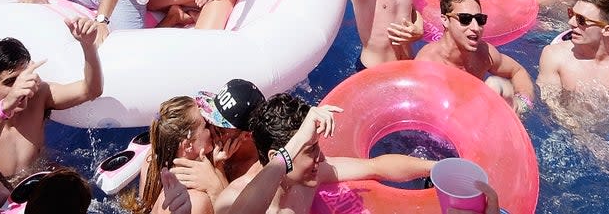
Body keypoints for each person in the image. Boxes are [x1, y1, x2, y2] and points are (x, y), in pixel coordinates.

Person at [224, 94, 467, 214]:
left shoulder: (307, 177)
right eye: (310, 149)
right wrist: (297, 142)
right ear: (282, 154)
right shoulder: (231, 199)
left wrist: (436, 168)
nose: (320, 157)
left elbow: (375, 167)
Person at [0, 28, 103, 182]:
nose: (21, 88)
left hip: (44, 179)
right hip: (5, 200)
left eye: (24, 77)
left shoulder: (39, 96)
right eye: (10, 82)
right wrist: (3, 112)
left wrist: (88, 46)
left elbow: (91, 90)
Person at [415, 0, 535, 113]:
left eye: (479, 19)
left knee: (496, 86)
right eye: (465, 19)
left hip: (480, 113)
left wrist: (522, 105)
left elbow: (517, 71)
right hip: (450, 122)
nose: (476, 27)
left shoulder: (483, 53)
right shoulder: (428, 67)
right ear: (445, 21)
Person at [170, 79, 268, 214]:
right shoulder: (216, 145)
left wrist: (214, 187)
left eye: (219, 130)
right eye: (209, 119)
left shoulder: (257, 175)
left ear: (247, 135)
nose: (210, 129)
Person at [137, 95, 218, 214]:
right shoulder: (196, 202)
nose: (212, 127)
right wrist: (215, 187)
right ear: (188, 145)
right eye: (206, 125)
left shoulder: (153, 161)